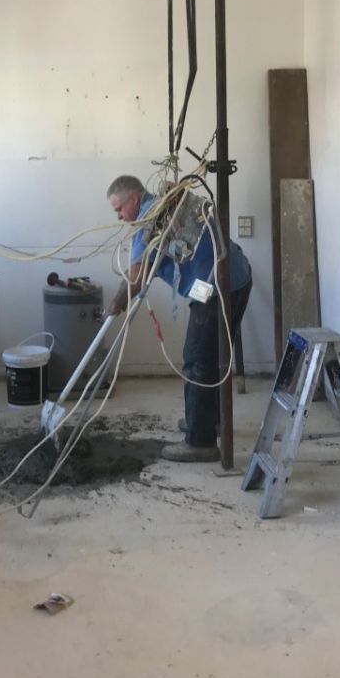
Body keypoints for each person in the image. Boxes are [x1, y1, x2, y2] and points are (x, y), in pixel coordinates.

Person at [106, 175, 252, 463]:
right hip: (236, 276)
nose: (119, 217)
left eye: (119, 209)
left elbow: (136, 278)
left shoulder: (150, 219)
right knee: (215, 357)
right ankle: (209, 420)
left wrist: (116, 303)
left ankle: (201, 442)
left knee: (197, 361)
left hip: (216, 286)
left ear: (134, 199)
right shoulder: (165, 206)